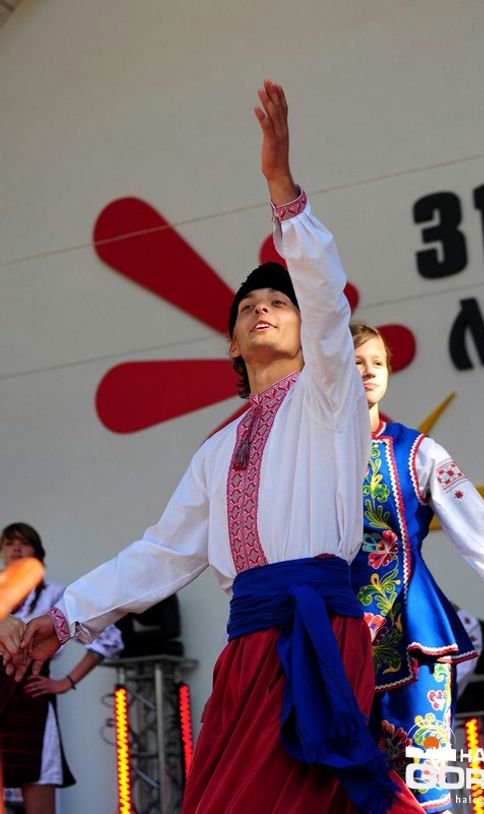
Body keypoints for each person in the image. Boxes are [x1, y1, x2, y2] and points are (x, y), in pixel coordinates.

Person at [15, 81, 424, 814]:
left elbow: (326, 297)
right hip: (247, 651)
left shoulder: (328, 394)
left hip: (314, 638)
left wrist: (282, 189)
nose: (263, 309)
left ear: (307, 332)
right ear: (232, 343)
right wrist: (66, 617)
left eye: (278, 303)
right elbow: (164, 552)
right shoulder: (217, 449)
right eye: (248, 308)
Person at [348, 320, 484, 814]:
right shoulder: (301, 459)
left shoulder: (417, 452)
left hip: (413, 634)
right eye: (354, 361)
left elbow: (483, 533)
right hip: (333, 637)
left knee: (422, 788)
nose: (369, 371)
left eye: (377, 362)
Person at [0, 522, 123, 814]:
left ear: (36, 552)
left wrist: (67, 682)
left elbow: (110, 638)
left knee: (39, 782)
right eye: (9, 543)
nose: (16, 549)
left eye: (24, 543)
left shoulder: (55, 594)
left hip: (31, 700)